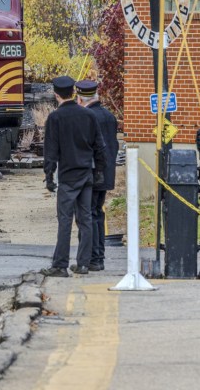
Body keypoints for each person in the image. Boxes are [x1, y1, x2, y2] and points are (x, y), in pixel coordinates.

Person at [41, 76, 107, 277]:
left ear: (56, 94)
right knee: (85, 220)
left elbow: (50, 150)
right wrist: (98, 173)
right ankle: (84, 264)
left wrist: (49, 176)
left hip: (67, 177)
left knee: (65, 221)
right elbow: (100, 148)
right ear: (73, 92)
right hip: (86, 174)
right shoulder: (88, 116)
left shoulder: (55, 118)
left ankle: (60, 265)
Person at [75, 79, 119, 272]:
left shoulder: (86, 117)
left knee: (88, 216)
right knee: (98, 214)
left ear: (80, 97)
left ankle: (93, 258)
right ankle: (99, 257)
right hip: (106, 174)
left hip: (91, 174)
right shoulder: (109, 116)